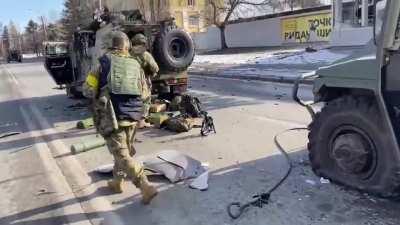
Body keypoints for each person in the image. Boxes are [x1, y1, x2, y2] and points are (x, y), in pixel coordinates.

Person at [84, 31, 158, 205]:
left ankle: (145, 186)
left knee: (123, 155)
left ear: (112, 45)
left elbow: (87, 90)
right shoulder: (135, 64)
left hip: (112, 118)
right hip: (133, 117)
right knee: (122, 152)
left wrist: (98, 92)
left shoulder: (102, 63)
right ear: (126, 46)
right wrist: (142, 115)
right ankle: (117, 183)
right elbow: (146, 94)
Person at [130, 33, 159, 128]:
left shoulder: (127, 53)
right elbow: (155, 68)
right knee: (146, 100)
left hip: (128, 81)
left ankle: (131, 120)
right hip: (141, 81)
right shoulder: (145, 54)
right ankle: (141, 122)